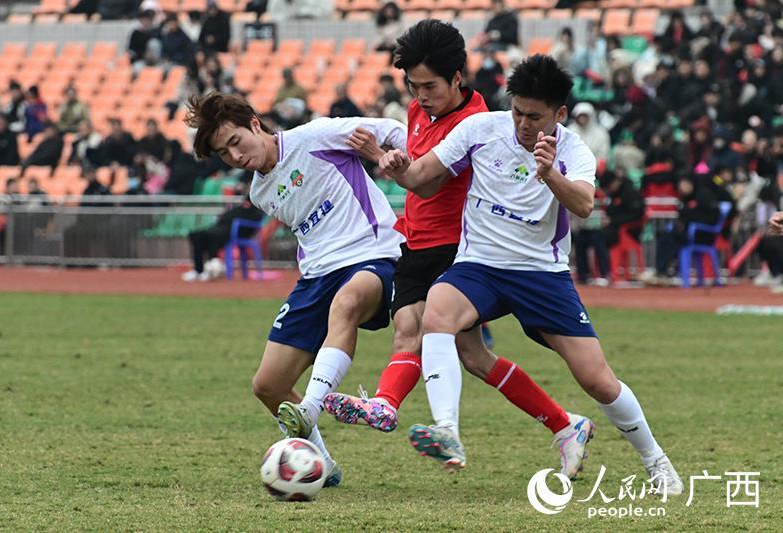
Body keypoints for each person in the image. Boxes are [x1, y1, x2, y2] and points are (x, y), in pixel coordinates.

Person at [376, 55, 683, 494]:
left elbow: (583, 205)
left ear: (559, 114)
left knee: (597, 379)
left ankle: (657, 463)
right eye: (517, 111)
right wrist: (398, 166)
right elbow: (421, 174)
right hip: (480, 265)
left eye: (534, 117)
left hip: (541, 274)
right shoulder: (481, 128)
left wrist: (549, 174)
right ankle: (447, 430)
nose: (522, 123)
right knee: (437, 314)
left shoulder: (573, 150)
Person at [324, 21, 594, 480]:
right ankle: (564, 423)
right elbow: (413, 174)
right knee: (465, 353)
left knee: (420, 331)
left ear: (456, 78)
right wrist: (391, 161)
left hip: (461, 248)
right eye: (413, 86)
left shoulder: (479, 121)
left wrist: (389, 164)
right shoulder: (416, 111)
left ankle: (392, 406)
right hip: (417, 240)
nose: (420, 95)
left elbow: (428, 184)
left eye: (429, 86)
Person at [184, 91, 407, 488]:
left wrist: (404, 160)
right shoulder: (259, 192)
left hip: (372, 254)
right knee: (267, 385)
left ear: (255, 123)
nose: (235, 156)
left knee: (346, 303)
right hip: (316, 277)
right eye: (224, 153)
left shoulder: (316, 136)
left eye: (235, 141)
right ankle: (321, 465)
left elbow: (390, 130)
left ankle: (310, 407)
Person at [181, 182, 264, 282]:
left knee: (213, 236)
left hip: (232, 232)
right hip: (219, 228)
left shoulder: (256, 210)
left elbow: (252, 227)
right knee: (196, 236)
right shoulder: (239, 207)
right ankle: (198, 270)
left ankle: (212, 263)